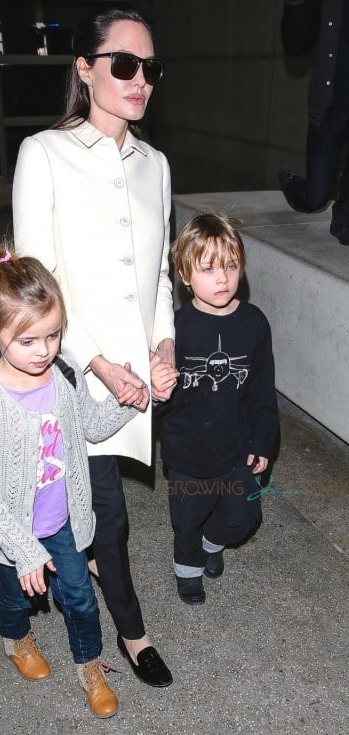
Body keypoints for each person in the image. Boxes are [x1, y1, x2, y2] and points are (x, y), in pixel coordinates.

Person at [12, 7, 175, 687]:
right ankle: (133, 632)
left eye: (150, 68)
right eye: (124, 64)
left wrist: (164, 343)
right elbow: (34, 280)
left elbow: (159, 270)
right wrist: (96, 360)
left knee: (101, 510)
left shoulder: (155, 164)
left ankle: (96, 560)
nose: (140, 80)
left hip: (136, 374)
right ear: (85, 68)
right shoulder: (43, 154)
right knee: (109, 510)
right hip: (72, 370)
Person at [0, 245, 145, 718]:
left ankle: (90, 665)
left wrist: (127, 398)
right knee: (14, 596)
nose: (44, 351)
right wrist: (23, 549)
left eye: (53, 335)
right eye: (28, 341)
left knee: (79, 597)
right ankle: (15, 638)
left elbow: (90, 426)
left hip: (62, 519)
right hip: (8, 532)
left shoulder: (63, 371)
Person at [152, 214, 279, 605]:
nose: (222, 277)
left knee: (244, 516)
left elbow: (262, 392)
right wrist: (156, 390)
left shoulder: (254, 323)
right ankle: (187, 567)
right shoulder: (174, 328)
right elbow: (156, 401)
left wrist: (263, 440)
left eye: (231, 265)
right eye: (208, 268)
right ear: (185, 276)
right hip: (187, 453)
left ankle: (213, 542)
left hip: (236, 448)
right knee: (187, 519)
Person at [279, 0, 349, 245]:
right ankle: (289, 180)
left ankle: (344, 219)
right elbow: (296, 43)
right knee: (315, 198)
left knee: (345, 230)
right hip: (330, 103)